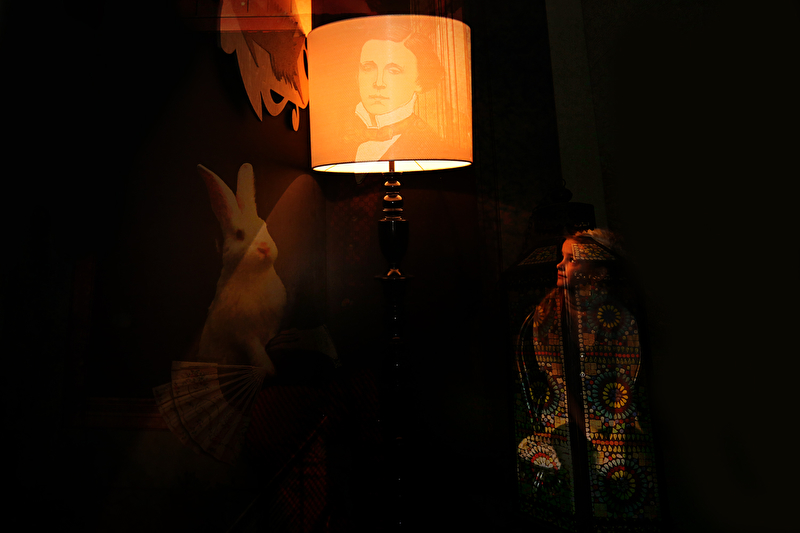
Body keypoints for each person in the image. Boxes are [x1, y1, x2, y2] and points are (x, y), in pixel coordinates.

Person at [343, 25, 457, 163]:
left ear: (419, 80)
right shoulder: (339, 139)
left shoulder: (433, 147)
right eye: (368, 68)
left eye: (393, 71)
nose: (378, 83)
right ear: (357, 75)